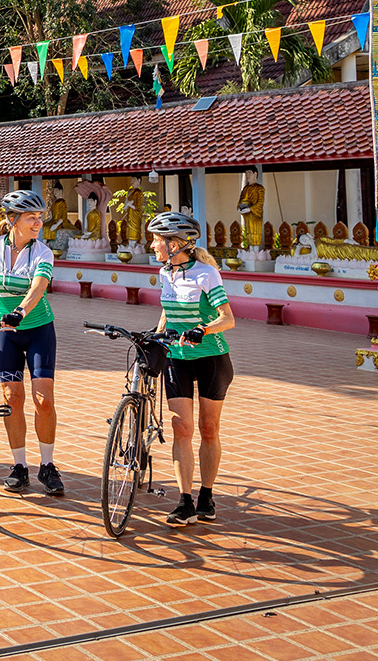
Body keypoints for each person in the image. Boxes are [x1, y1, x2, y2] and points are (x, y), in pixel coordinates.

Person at [0, 189, 62, 496]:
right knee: (12, 398)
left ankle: (47, 465)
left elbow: (38, 287)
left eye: (39, 217)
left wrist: (20, 311)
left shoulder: (42, 252)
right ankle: (20, 466)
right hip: (4, 334)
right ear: (12, 220)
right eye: (31, 218)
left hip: (37, 329)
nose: (37, 223)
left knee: (43, 399)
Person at [147, 211, 235, 527]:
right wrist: (156, 337)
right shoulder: (165, 273)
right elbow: (167, 311)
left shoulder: (206, 274)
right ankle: (184, 500)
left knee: (208, 428)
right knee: (181, 428)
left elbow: (228, 318)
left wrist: (203, 329)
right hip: (176, 357)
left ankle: (206, 495)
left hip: (211, 358)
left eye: (158, 240)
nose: (153, 245)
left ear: (176, 244)